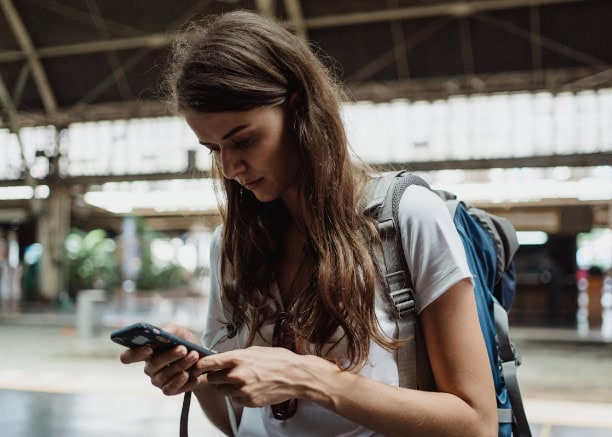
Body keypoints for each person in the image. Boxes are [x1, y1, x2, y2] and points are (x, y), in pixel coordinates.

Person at [120, 10, 496, 437]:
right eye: (212, 149)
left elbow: (475, 422)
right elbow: (238, 422)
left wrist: (307, 377)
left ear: (299, 109)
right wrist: (198, 372)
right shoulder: (232, 244)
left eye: (243, 140)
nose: (229, 167)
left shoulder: (406, 218)